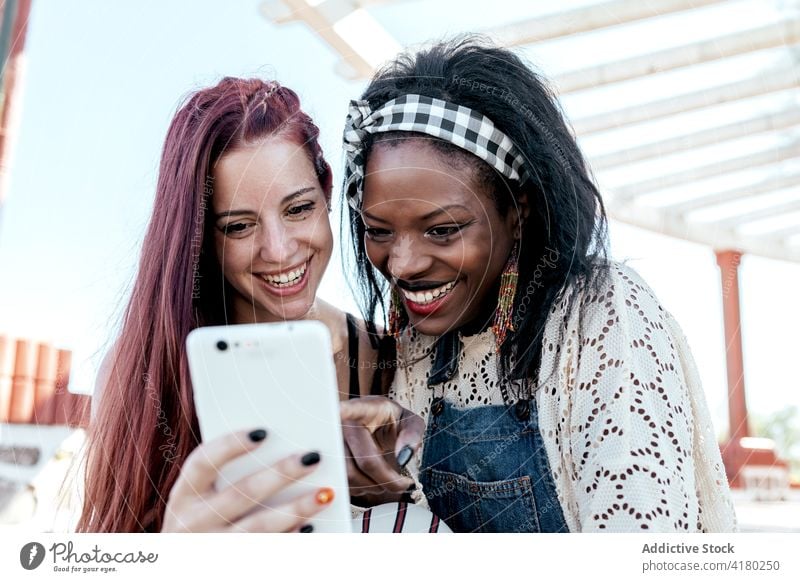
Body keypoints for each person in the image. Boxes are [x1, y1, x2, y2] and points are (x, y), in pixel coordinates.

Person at [339, 36, 737, 532]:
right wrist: (372, 492)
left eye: (442, 230)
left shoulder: (603, 316)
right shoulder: (419, 348)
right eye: (379, 231)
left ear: (518, 209)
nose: (402, 264)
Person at [77, 77, 392, 533]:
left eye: (299, 209)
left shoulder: (389, 356)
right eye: (239, 226)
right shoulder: (140, 371)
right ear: (201, 237)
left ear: (326, 192)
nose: (280, 250)